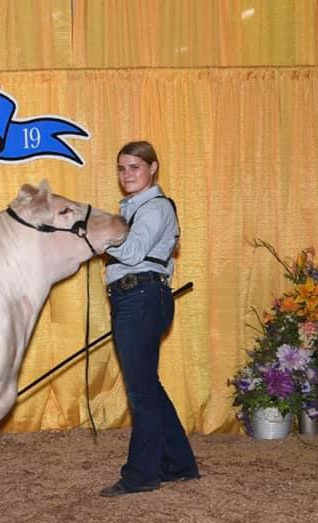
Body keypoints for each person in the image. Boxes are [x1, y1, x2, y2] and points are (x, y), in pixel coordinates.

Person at [99, 141, 199, 497]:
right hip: (136, 297)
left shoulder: (155, 207)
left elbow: (133, 251)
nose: (127, 175)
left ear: (153, 168)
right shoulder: (135, 208)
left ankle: (142, 474)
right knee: (148, 386)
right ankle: (179, 463)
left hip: (140, 297)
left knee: (141, 390)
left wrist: (97, 236)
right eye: (122, 168)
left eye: (134, 168)